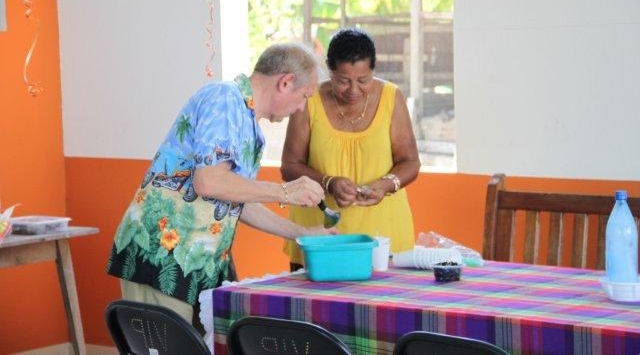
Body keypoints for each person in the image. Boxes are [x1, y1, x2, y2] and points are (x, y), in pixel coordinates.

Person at [107, 43, 336, 327]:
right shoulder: (225, 99)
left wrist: (302, 234)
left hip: (202, 261)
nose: (302, 107)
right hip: (162, 257)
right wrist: (285, 191)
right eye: (304, 96)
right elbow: (209, 181)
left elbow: (236, 199)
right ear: (285, 82)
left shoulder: (250, 123)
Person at [281, 28, 420, 269]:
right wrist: (329, 182)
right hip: (319, 238)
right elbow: (290, 166)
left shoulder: (391, 98)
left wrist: (384, 185)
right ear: (329, 70)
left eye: (363, 80)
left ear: (373, 71)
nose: (353, 90)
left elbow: (410, 162)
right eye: (343, 81)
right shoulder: (309, 100)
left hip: (382, 237)